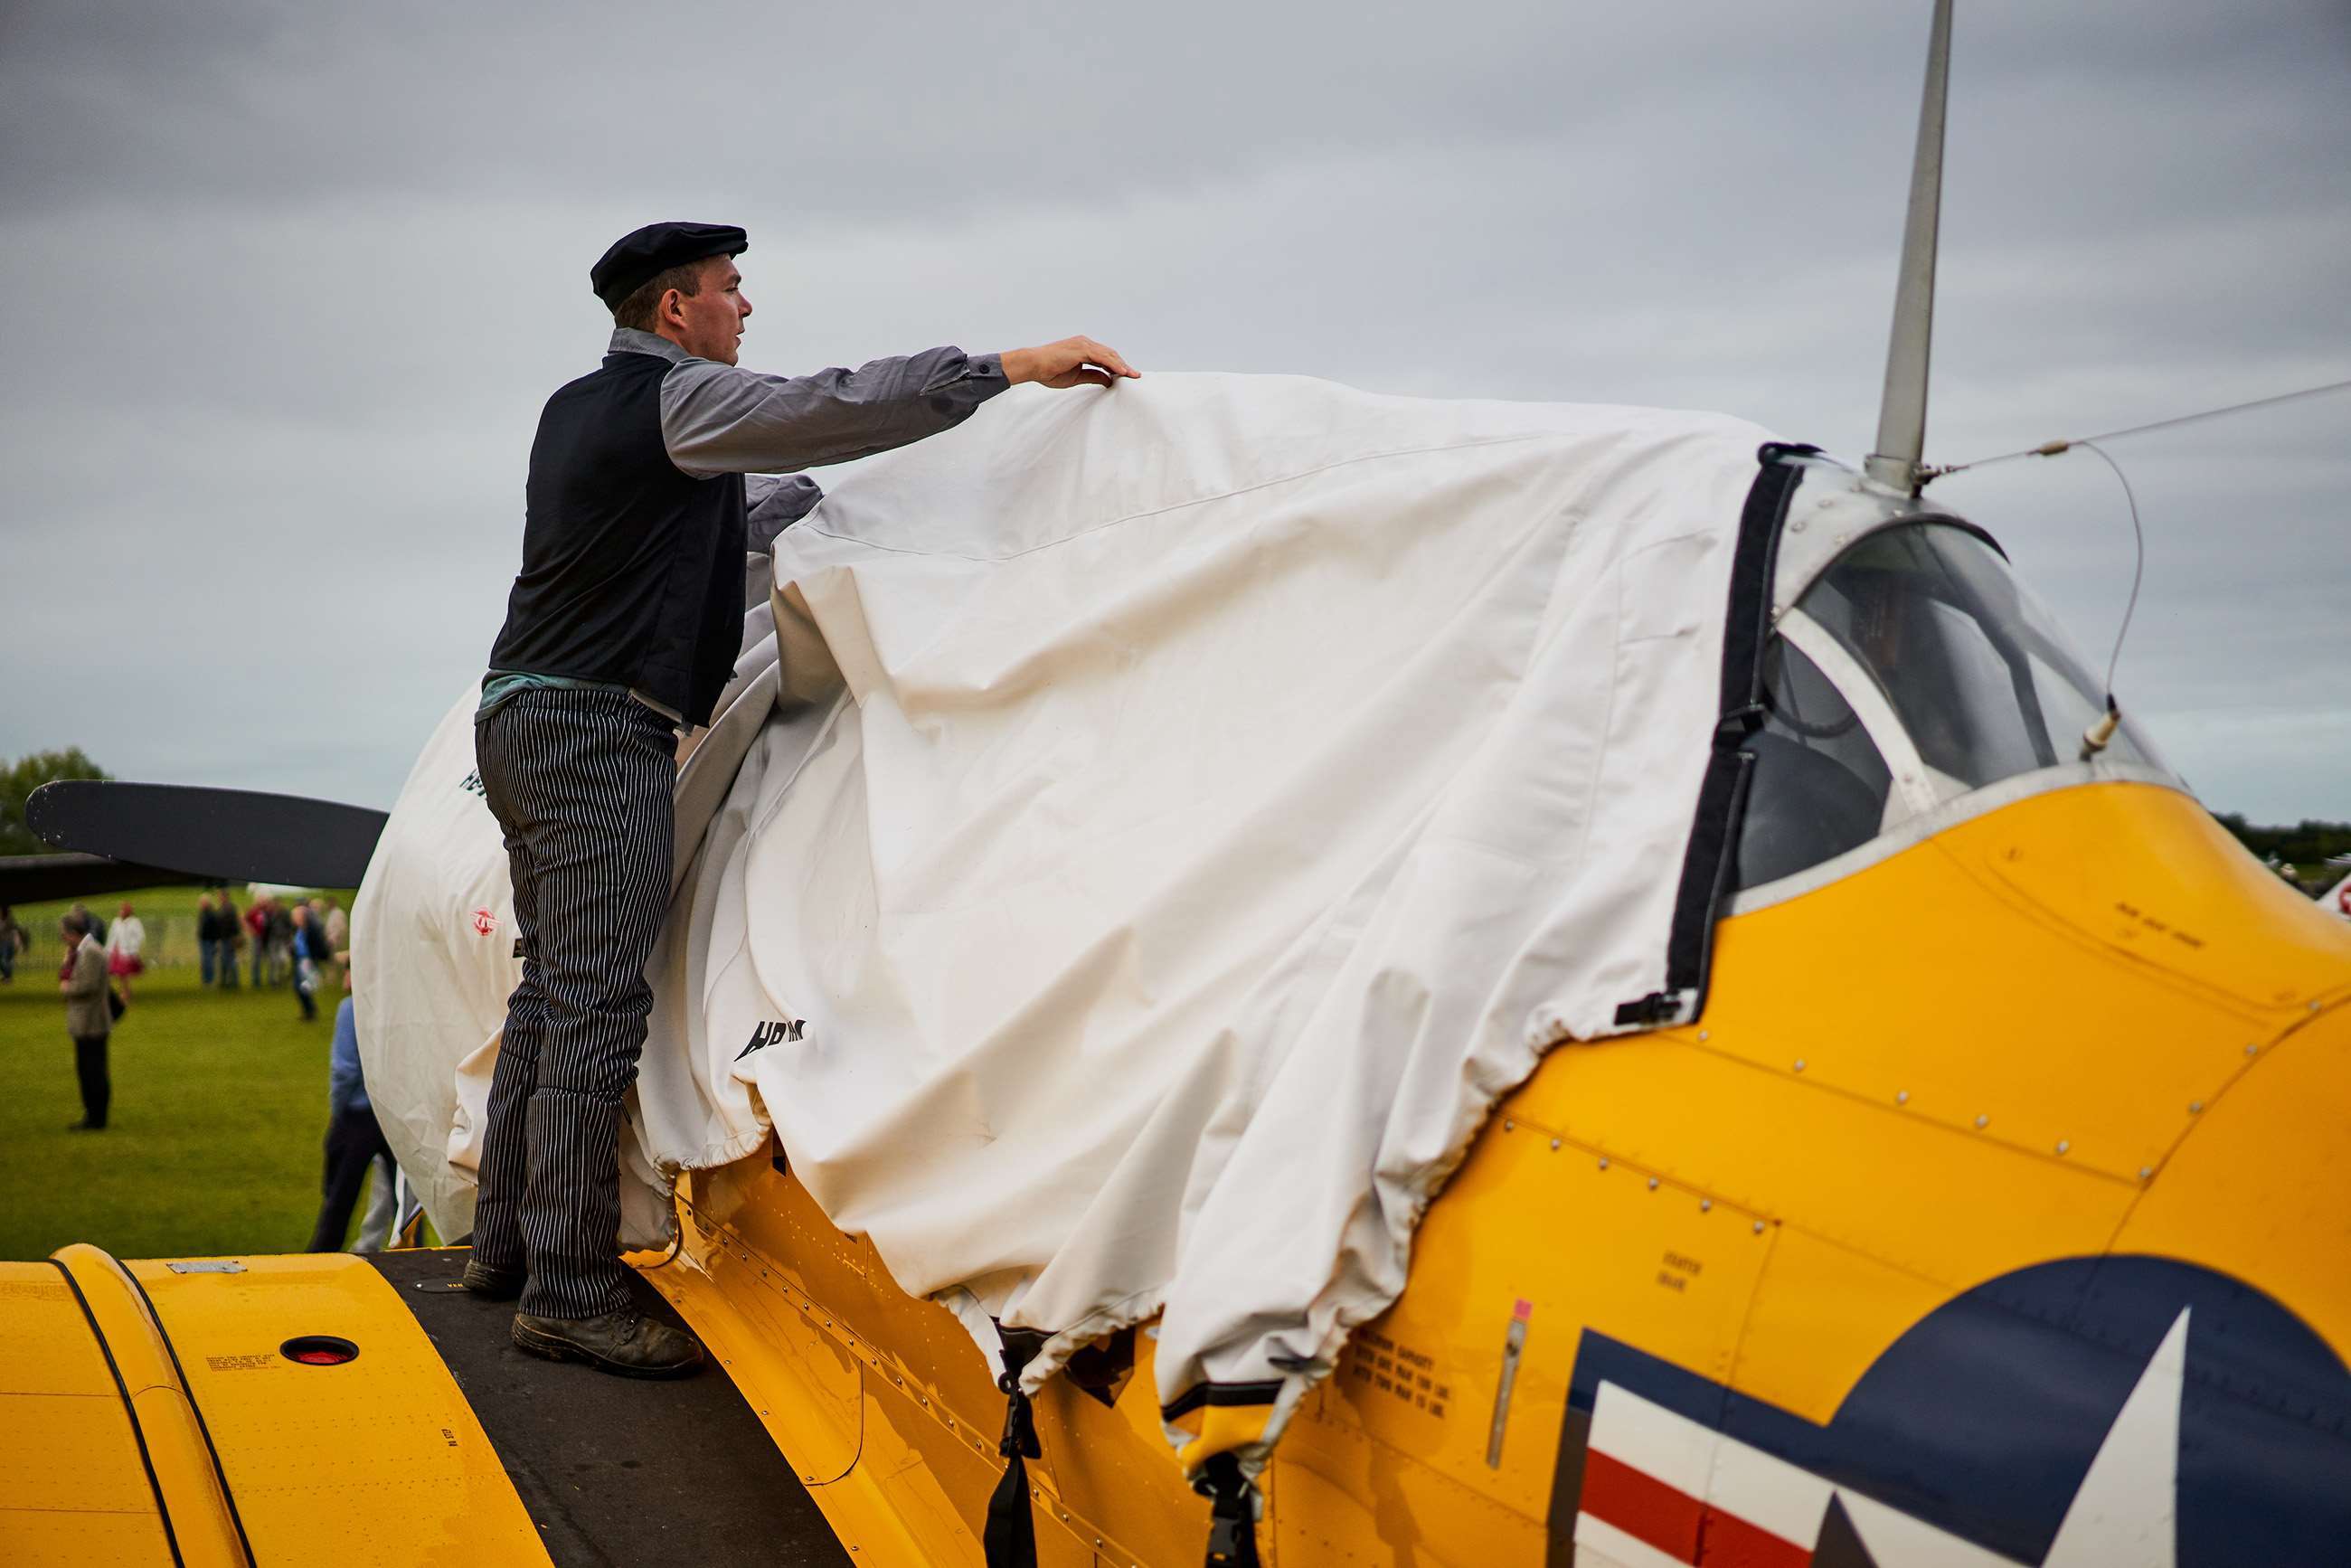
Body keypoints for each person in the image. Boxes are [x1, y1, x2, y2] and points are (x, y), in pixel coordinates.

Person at [466, 218, 1138, 1377]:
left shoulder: (576, 411)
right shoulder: (677, 405)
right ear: (675, 311)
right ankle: (569, 1290)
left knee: (546, 992)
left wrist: (859, 498)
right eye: (731, 291)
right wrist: (1007, 372)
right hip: (595, 731)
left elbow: (723, 526)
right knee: (591, 1004)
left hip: (519, 716)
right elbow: (823, 403)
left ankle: (506, 1251)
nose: (745, 310)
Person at [305, 987, 399, 1252]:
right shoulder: (399, 1004)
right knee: (406, 1204)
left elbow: (344, 1069)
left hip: (359, 1114)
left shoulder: (351, 1007)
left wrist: (337, 1111)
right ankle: (419, 1264)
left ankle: (319, 1263)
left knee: (338, 1203)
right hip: (396, 1113)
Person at [58, 911, 110, 1130]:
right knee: (88, 1069)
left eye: (64, 934)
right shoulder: (84, 950)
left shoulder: (90, 952)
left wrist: (68, 988)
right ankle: (93, 1115)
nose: (63, 938)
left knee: (93, 1071)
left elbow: (88, 985)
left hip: (91, 1021)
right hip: (87, 1021)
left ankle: (96, 1118)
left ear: (73, 933)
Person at [290, 904, 327, 1021]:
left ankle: (310, 1011)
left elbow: (319, 946)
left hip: (308, 961)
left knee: (303, 986)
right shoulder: (299, 929)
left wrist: (313, 959)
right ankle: (308, 1010)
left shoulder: (312, 929)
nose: (294, 919)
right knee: (299, 986)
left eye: (295, 916)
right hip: (300, 960)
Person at [105, 900, 146, 1001]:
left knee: (123, 974)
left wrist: (133, 947)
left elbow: (140, 936)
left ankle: (125, 992)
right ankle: (123, 991)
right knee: (116, 974)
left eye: (123, 910)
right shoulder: (116, 922)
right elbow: (112, 936)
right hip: (116, 950)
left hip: (127, 951)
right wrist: (108, 949)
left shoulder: (134, 922)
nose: (121, 912)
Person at [214, 888, 241, 991]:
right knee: (225, 960)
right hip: (224, 937)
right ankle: (226, 981)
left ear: (225, 897)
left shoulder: (229, 909)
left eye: (220, 896)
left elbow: (234, 924)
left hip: (229, 938)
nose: (219, 898)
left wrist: (236, 935)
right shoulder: (223, 908)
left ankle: (233, 982)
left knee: (229, 960)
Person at [245, 895, 270, 987]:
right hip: (257, 938)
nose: (263, 903)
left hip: (266, 938)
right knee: (256, 959)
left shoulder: (267, 911)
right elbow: (245, 920)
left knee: (267, 959)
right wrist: (251, 930)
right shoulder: (253, 911)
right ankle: (256, 980)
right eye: (261, 901)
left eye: (264, 901)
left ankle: (269, 979)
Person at [0, 905, 27, 983]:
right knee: (4, 961)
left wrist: (18, 943)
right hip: (2, 943)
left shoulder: (9, 921)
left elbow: (16, 931)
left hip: (8, 943)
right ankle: (7, 976)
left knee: (4, 960)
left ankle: (8, 978)